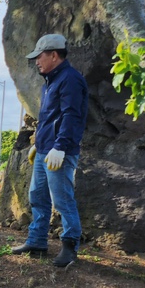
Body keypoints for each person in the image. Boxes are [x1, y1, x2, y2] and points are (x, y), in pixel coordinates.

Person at [12, 33, 88, 267]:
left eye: (40, 56)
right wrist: (39, 143)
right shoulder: (51, 82)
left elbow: (71, 116)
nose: (36, 61)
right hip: (46, 150)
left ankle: (70, 247)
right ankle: (36, 241)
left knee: (63, 200)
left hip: (59, 152)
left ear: (54, 55)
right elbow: (48, 119)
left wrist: (60, 147)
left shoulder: (70, 79)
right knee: (38, 197)